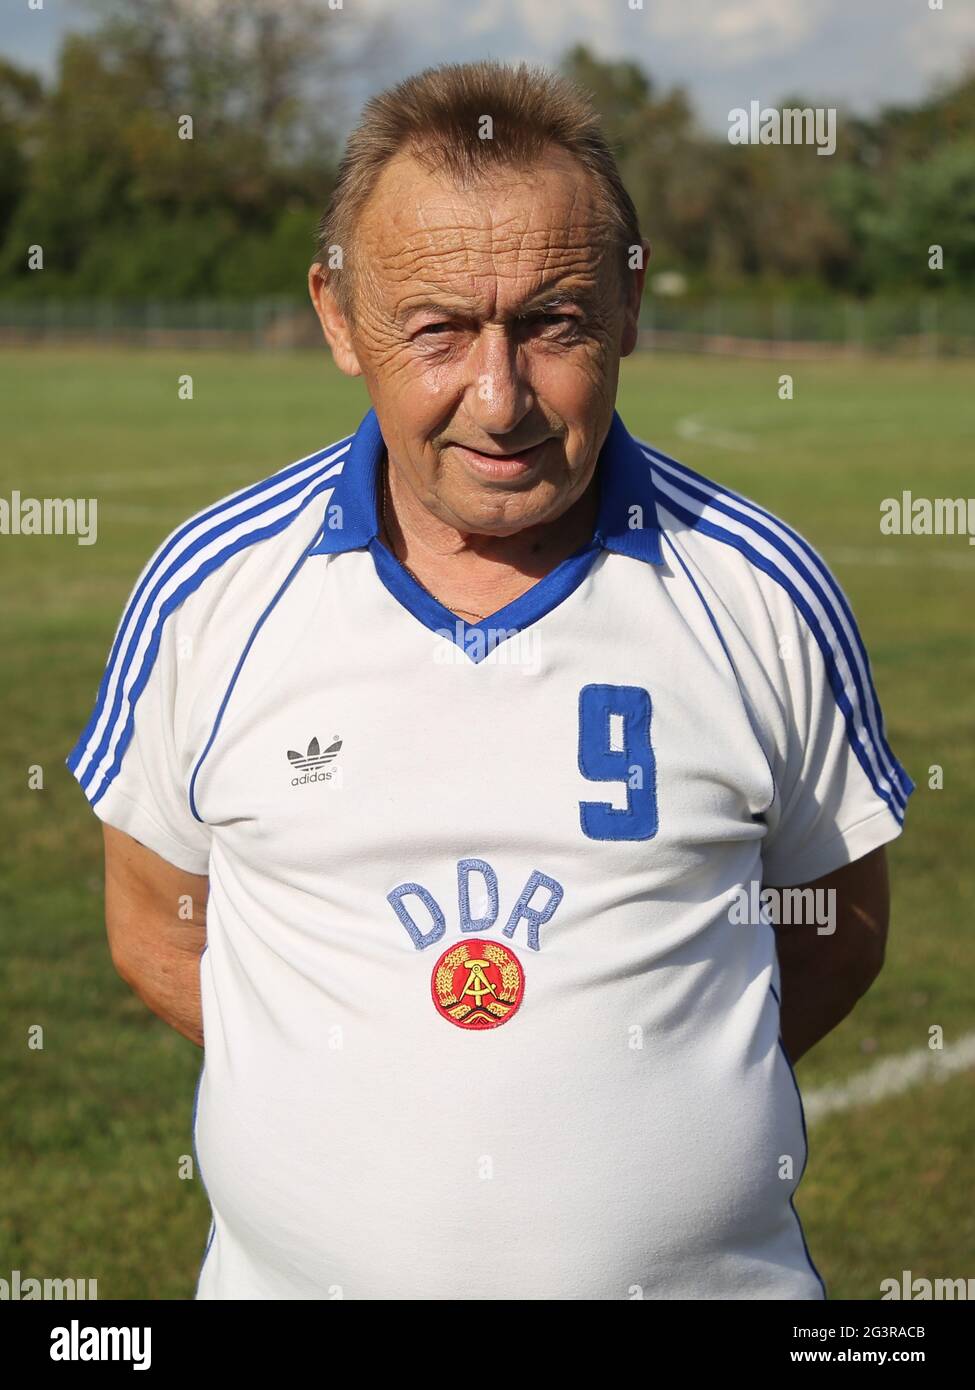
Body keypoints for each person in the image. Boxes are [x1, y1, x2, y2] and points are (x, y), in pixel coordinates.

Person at [68, 60, 913, 1300]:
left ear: (628, 310)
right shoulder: (213, 593)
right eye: (439, 329)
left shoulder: (758, 590)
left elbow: (837, 930)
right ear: (338, 315)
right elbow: (153, 924)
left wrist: (658, 1087)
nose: (500, 396)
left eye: (553, 321)